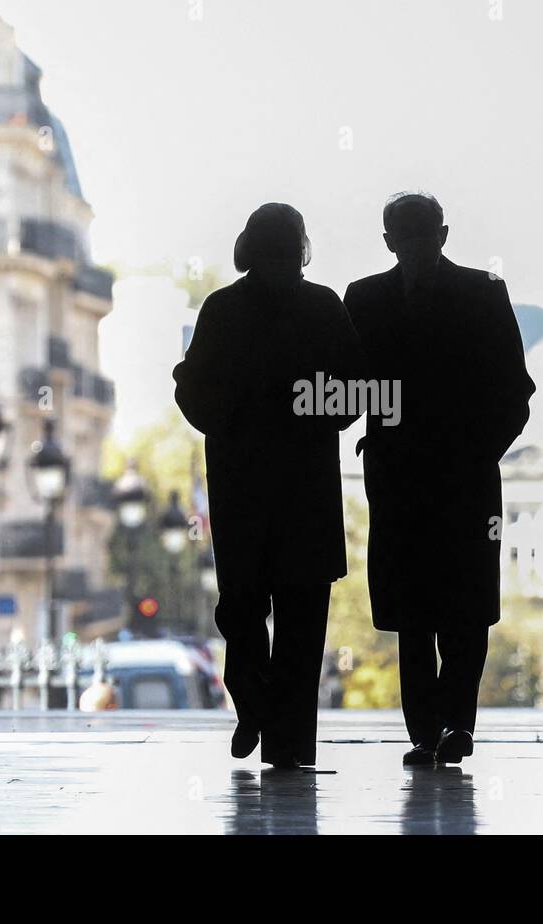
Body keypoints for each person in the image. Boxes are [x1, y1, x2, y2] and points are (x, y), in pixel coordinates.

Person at [344, 192, 535, 766]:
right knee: (457, 606)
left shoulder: (366, 299)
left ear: (388, 240)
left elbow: (350, 384)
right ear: (444, 233)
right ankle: (452, 726)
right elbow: (515, 392)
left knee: (420, 611)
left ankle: (429, 730)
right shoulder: (483, 293)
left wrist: (377, 433)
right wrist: (478, 450)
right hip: (461, 476)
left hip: (412, 473)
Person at [173, 203, 362, 769]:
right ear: (300, 245)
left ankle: (251, 699)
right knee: (304, 620)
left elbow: (192, 391)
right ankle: (290, 742)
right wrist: (309, 415)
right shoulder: (323, 307)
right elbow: (355, 389)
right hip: (306, 488)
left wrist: (231, 422)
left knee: (242, 606)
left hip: (240, 486)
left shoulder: (222, 308)